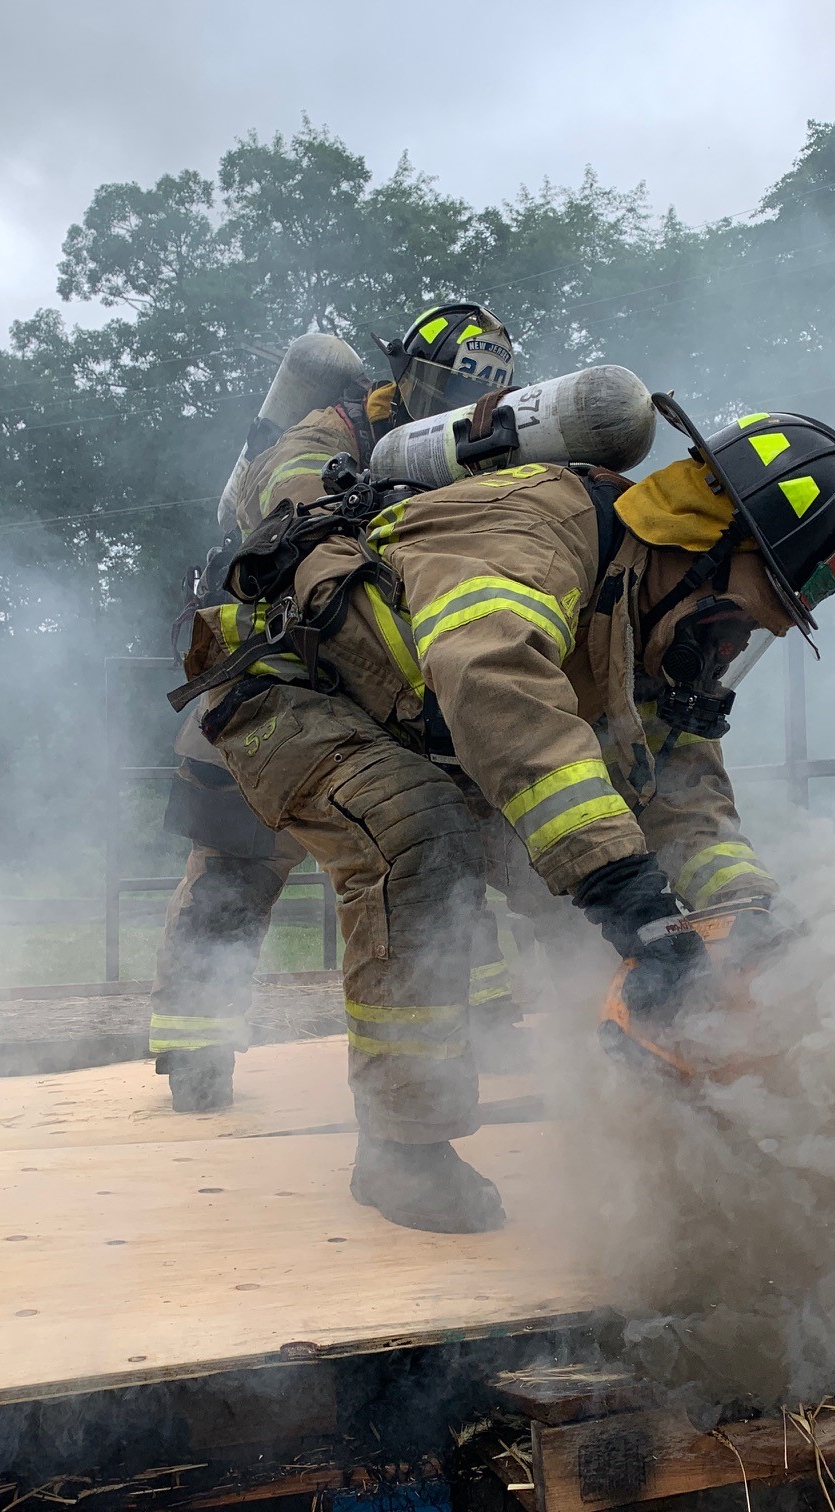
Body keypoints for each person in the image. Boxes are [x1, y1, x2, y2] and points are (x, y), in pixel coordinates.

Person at [179, 396, 835, 1229]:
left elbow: (681, 794)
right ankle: (402, 1150)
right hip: (291, 685)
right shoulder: (537, 525)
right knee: (422, 839)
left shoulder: (672, 622)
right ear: (706, 544)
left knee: (583, 891)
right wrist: (632, 900)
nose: (736, 642)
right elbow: (493, 683)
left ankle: (638, 1120)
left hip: (426, 723)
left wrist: (741, 916)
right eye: (741, 612)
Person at [151, 303, 523, 1112]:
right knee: (233, 872)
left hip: (384, 689)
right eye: (445, 384)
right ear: (406, 377)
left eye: (471, 390)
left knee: (439, 849)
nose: (455, 401)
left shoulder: (471, 454)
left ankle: (488, 1022)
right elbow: (299, 510)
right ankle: (195, 1051)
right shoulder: (328, 433)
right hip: (273, 685)